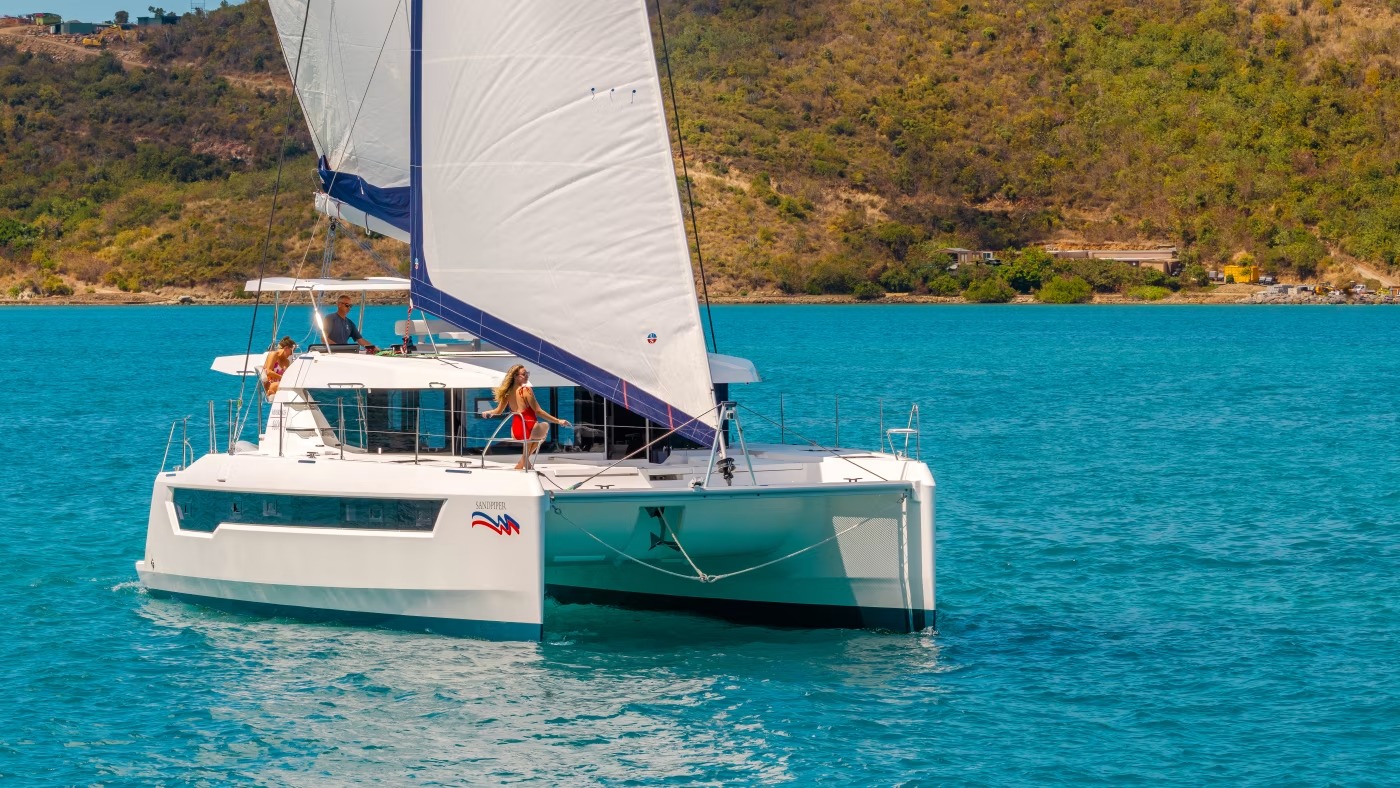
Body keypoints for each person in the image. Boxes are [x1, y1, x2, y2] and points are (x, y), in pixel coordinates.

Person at [484, 364, 570, 470]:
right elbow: (538, 411)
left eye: (527, 373)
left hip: (515, 431)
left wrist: (488, 412)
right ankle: (523, 461)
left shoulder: (508, 392)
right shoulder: (525, 390)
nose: (527, 376)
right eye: (524, 374)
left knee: (533, 438)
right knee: (545, 426)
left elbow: (498, 411)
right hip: (530, 428)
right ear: (515, 376)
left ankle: (523, 462)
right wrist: (558, 421)